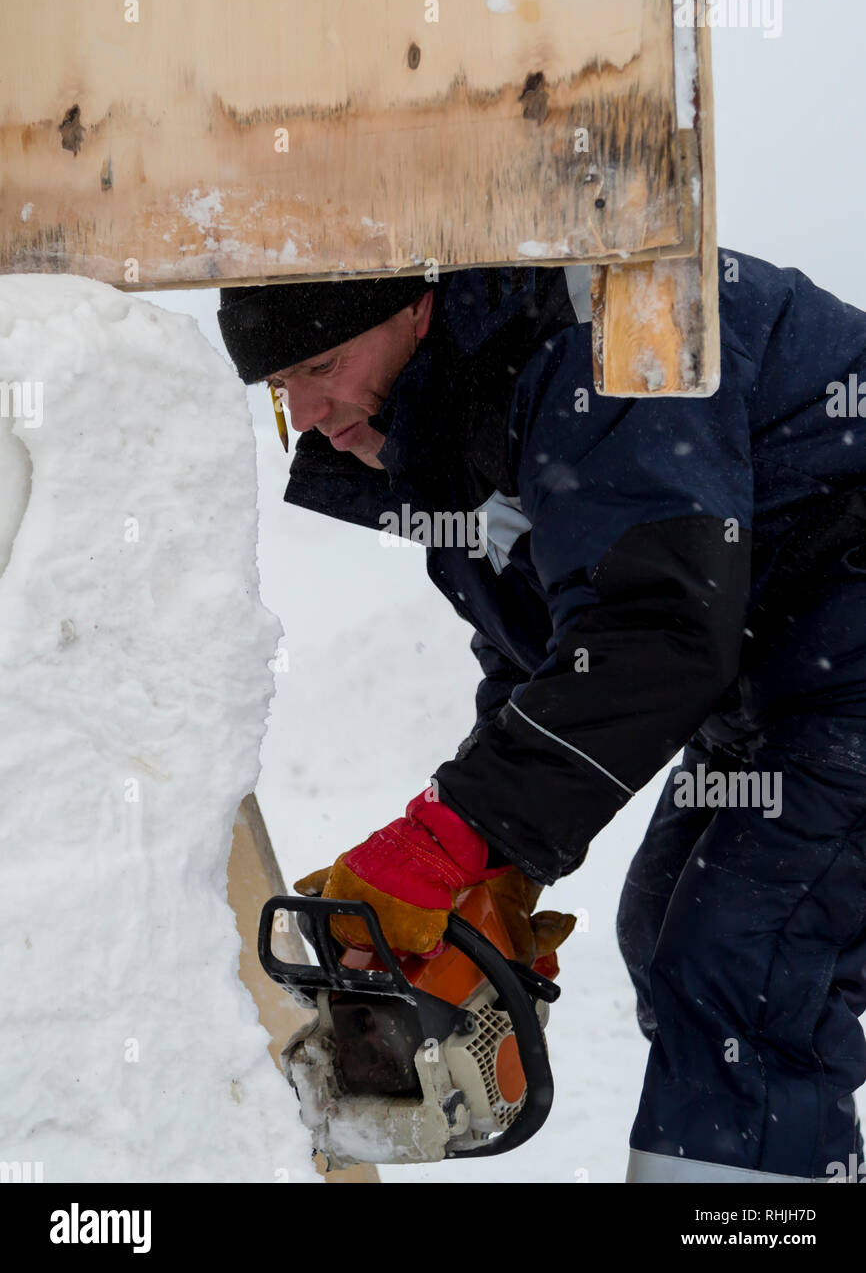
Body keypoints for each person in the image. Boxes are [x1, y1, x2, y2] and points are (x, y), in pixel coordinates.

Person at [218, 251, 866, 1182]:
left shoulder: (609, 329)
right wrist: (495, 862)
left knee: (744, 958)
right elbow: (548, 665)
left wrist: (456, 837)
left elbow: (654, 631)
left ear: (418, 308)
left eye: (321, 369)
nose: (307, 416)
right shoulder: (461, 428)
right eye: (283, 387)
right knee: (667, 926)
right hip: (787, 682)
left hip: (836, 656)